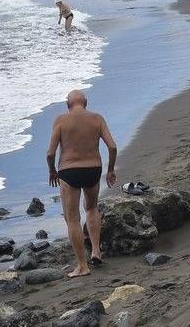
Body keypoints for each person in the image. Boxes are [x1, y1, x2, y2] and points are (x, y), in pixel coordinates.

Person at [45, 90, 117, 278]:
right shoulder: (97, 119)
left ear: (67, 104)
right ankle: (96, 251)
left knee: (72, 218)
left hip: (69, 171)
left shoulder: (61, 120)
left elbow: (50, 153)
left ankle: (82, 266)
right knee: (92, 208)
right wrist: (110, 169)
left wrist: (52, 171)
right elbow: (112, 146)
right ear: (85, 102)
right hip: (93, 169)